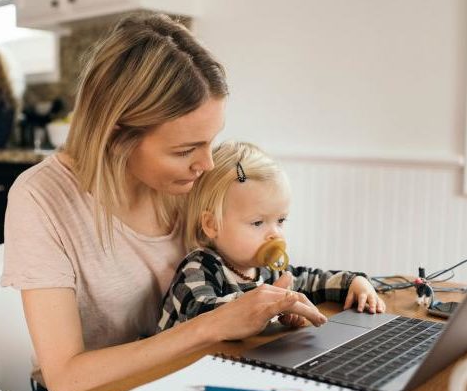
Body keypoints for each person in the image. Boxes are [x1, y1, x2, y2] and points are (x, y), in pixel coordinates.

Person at [1, 13, 328, 391]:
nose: (206, 164)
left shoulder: (190, 180)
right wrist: (210, 326)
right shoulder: (42, 198)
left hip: (192, 377)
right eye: (185, 150)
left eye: (211, 141)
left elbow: (234, 270)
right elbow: (66, 380)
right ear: (117, 134)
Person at [157, 141, 386, 332]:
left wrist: (353, 282)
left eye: (281, 221)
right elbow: (200, 317)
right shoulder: (199, 267)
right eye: (257, 223)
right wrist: (273, 306)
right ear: (211, 224)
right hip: (170, 370)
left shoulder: (267, 270)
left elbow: (309, 281)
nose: (274, 233)